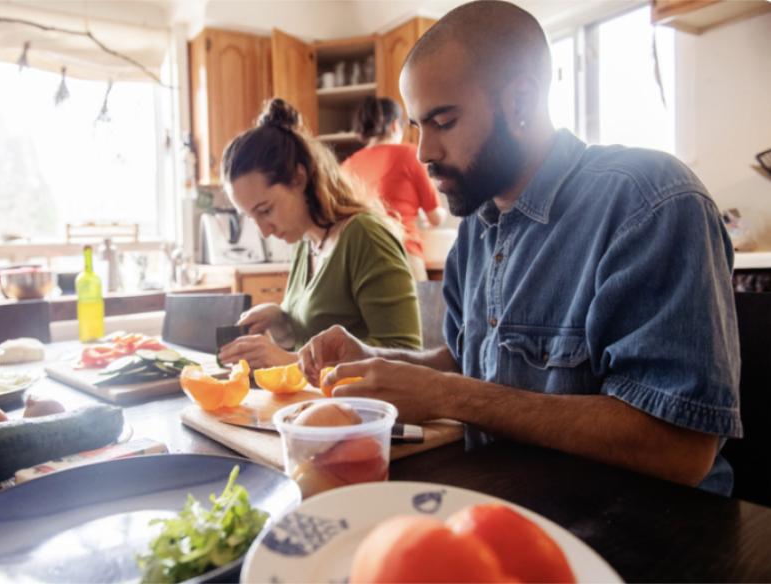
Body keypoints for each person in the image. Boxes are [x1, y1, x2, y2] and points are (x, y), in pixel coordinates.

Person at [299, 0, 741, 495]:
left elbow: (681, 449)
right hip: (507, 506)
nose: (423, 152)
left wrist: (450, 395)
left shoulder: (650, 200)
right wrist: (377, 360)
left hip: (652, 535)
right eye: (418, 127)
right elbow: (467, 363)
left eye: (443, 122)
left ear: (521, 102)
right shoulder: (477, 227)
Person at [217, 98, 422, 369]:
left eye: (265, 210)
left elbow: (406, 354)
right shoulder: (305, 243)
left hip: (362, 411)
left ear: (299, 178)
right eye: (251, 217)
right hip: (316, 406)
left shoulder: (364, 236)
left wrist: (289, 362)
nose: (264, 232)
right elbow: (314, 339)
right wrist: (282, 321)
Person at [343, 96, 446, 281]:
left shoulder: (347, 165)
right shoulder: (409, 155)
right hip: (402, 252)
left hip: (359, 260)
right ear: (395, 126)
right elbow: (435, 217)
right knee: (419, 310)